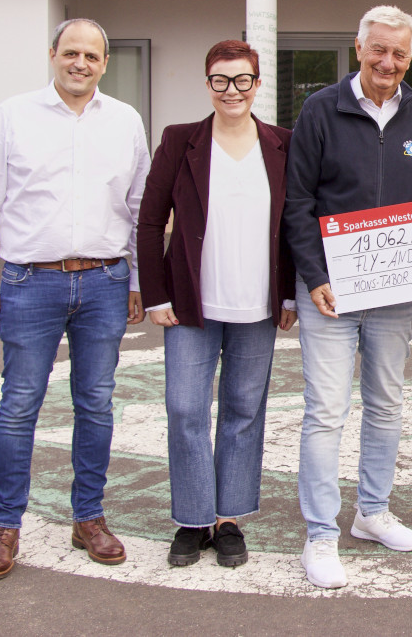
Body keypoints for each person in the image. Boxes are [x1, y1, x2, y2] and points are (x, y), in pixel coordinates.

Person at [0, 18, 150, 580]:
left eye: (91, 56)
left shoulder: (125, 121)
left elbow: (141, 207)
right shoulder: (12, 116)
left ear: (104, 63)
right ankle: (5, 525)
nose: (80, 64)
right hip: (28, 282)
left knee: (96, 402)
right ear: (52, 55)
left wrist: (140, 280)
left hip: (105, 283)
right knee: (20, 406)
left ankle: (88, 517)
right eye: (71, 53)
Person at [284, 5, 412, 589]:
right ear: (358, 48)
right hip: (330, 289)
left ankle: (372, 513)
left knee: (385, 405)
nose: (388, 62)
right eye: (378, 50)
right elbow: (298, 201)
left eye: (399, 54)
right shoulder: (319, 110)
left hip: (395, 292)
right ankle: (321, 534)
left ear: (411, 56)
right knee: (326, 412)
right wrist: (313, 276)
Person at [137, 40, 296, 568]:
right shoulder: (180, 141)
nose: (232, 90)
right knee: (185, 409)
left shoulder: (283, 144)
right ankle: (192, 519)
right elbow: (149, 220)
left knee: (242, 412)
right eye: (221, 80)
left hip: (257, 304)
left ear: (256, 84)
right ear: (208, 85)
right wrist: (155, 292)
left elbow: (295, 224)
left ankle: (227, 520)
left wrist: (292, 291)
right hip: (190, 303)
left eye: (242, 80)